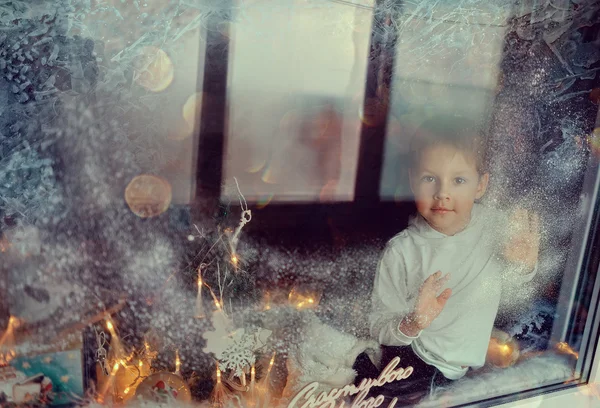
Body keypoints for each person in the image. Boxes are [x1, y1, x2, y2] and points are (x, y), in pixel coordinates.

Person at [354, 116, 540, 405]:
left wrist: (524, 265)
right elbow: (378, 323)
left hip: (464, 369)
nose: (442, 193)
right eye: (429, 178)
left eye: (459, 180)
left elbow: (515, 283)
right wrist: (413, 323)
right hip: (416, 360)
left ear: (480, 186)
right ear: (412, 182)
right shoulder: (402, 251)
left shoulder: (495, 226)